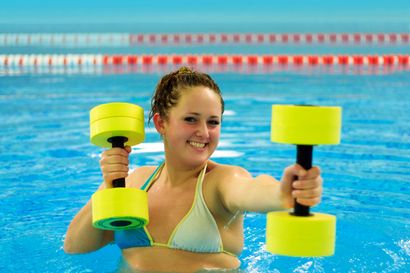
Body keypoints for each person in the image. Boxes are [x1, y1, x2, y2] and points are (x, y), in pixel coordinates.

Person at [64, 66, 323, 273]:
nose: (204, 132)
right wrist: (109, 185)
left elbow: (252, 190)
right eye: (191, 119)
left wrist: (284, 192)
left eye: (213, 122)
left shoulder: (220, 181)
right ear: (161, 123)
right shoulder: (135, 182)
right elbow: (75, 247)